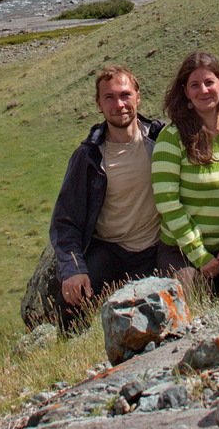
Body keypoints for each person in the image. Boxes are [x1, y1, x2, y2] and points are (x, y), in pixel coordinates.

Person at [48, 64, 165, 328]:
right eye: (109, 98)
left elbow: (204, 131)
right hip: (109, 250)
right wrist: (73, 269)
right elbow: (65, 220)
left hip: (154, 249)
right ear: (98, 104)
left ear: (138, 97)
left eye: (125, 95)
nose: (119, 104)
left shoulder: (162, 141)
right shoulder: (88, 156)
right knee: (73, 305)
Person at [152, 51, 219, 293]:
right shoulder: (171, 138)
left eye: (209, 82)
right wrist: (199, 254)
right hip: (182, 252)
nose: (203, 90)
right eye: (195, 85)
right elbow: (167, 201)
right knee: (188, 298)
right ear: (185, 92)